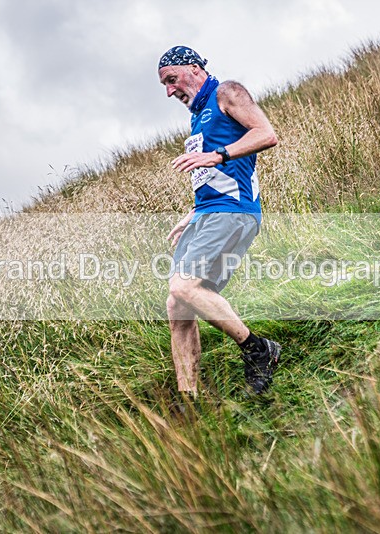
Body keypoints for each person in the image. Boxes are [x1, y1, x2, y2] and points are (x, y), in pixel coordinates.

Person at [158, 45, 281, 397]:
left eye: (172, 79)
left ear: (194, 68)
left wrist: (216, 154)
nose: (170, 91)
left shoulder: (227, 92)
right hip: (209, 214)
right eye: (164, 86)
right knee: (177, 303)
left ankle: (258, 349)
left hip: (233, 213)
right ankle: (188, 397)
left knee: (184, 287)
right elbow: (218, 177)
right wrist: (194, 214)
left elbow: (266, 134)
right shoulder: (196, 118)